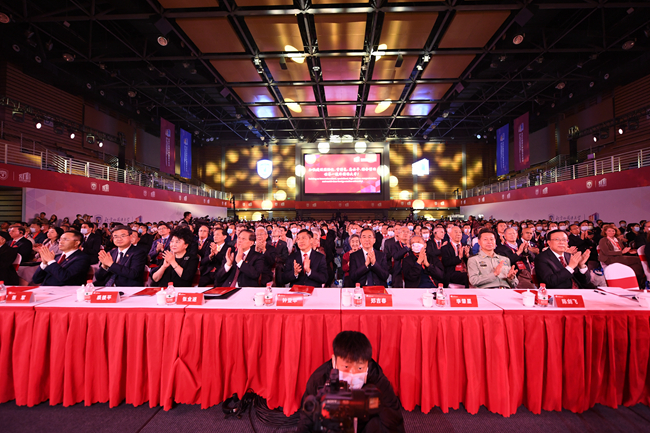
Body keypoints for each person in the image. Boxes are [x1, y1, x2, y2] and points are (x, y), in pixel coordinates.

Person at [297, 331, 405, 433]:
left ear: (367, 364)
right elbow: (306, 421)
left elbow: (394, 422)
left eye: (360, 368)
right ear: (334, 361)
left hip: (363, 427)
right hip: (331, 427)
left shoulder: (378, 381)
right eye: (346, 367)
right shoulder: (319, 380)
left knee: (377, 424)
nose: (352, 374)